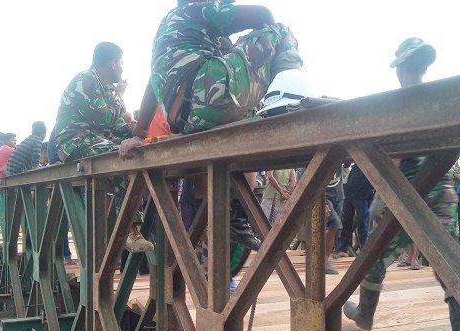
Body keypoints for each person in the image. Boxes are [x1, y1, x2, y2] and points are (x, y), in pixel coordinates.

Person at [118, 1, 302, 250]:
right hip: (206, 95)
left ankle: (237, 219)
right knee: (280, 30)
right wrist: (270, 57)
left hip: (188, 119)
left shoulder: (174, 36)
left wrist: (139, 133)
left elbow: (151, 84)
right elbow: (263, 14)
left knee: (243, 140)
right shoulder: (199, 7)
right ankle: (289, 96)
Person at [344, 37, 460, 331]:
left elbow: (397, 158)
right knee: (448, 261)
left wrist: (381, 196)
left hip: (408, 194)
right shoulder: (438, 102)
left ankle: (365, 314)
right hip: (443, 192)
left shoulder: (402, 103)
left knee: (375, 254)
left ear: (400, 69)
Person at [53, 42, 152, 253]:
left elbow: (118, 125)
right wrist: (119, 96)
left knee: (135, 149)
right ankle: (130, 229)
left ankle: (125, 226)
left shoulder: (104, 87)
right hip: (75, 140)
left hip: (96, 137)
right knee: (124, 159)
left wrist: (139, 133)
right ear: (113, 62)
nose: (123, 69)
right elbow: (104, 118)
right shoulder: (86, 79)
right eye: (122, 63)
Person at [336, 163, 374, 256]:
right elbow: (346, 164)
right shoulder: (356, 163)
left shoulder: (372, 164)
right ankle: (343, 249)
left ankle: (365, 251)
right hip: (349, 194)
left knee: (363, 224)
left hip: (362, 196)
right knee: (346, 221)